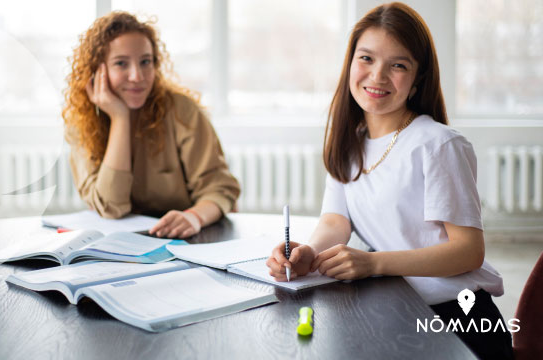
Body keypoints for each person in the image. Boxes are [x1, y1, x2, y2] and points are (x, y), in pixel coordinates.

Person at [266, 3, 512, 359]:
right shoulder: (350, 140)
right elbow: (336, 220)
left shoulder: (439, 144)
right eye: (366, 58)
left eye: (398, 65)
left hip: (457, 318)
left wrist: (374, 263)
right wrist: (308, 254)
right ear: (350, 62)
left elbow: (469, 251)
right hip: (397, 306)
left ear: (417, 80)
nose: (377, 76)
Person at [62, 12, 240, 239]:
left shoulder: (182, 110)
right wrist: (120, 118)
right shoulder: (82, 122)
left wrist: (193, 217)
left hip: (185, 240)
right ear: (98, 70)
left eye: (145, 61)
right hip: (121, 246)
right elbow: (111, 206)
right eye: (121, 64)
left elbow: (219, 188)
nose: (137, 76)